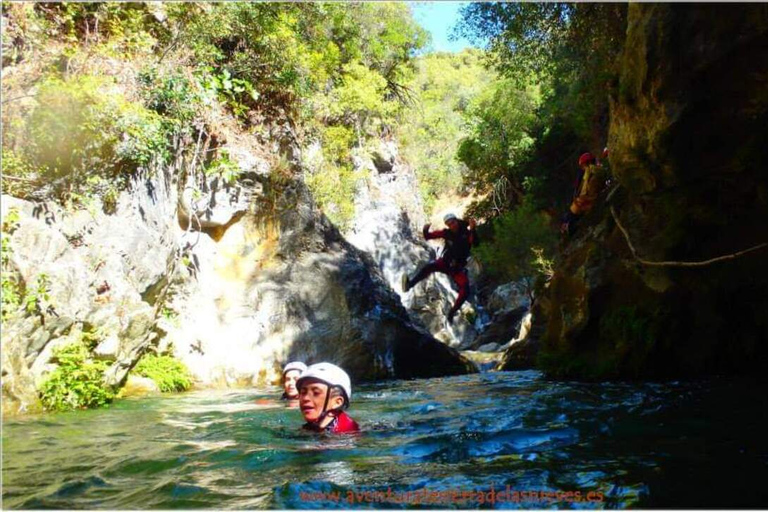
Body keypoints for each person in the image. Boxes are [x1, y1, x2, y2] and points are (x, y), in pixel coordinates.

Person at [401, 213, 478, 324]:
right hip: (446, 262)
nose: (452, 225)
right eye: (449, 224)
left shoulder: (467, 231)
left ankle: (451, 313)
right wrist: (425, 229)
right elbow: (428, 236)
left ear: (457, 220)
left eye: (453, 222)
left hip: (458, 267)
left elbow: (474, 243)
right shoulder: (447, 233)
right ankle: (409, 285)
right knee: (429, 267)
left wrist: (473, 229)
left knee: (465, 291)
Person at [296, 362, 360, 434]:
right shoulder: (309, 427)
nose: (305, 398)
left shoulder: (346, 432)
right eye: (303, 392)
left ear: (337, 402)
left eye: (316, 393)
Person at [560, 152, 606, 236]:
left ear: (587, 164)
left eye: (583, 166)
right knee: (569, 216)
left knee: (569, 216)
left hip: (588, 203)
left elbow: (588, 193)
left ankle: (568, 228)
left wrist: (579, 201)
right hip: (590, 201)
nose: (583, 168)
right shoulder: (596, 171)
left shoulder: (591, 174)